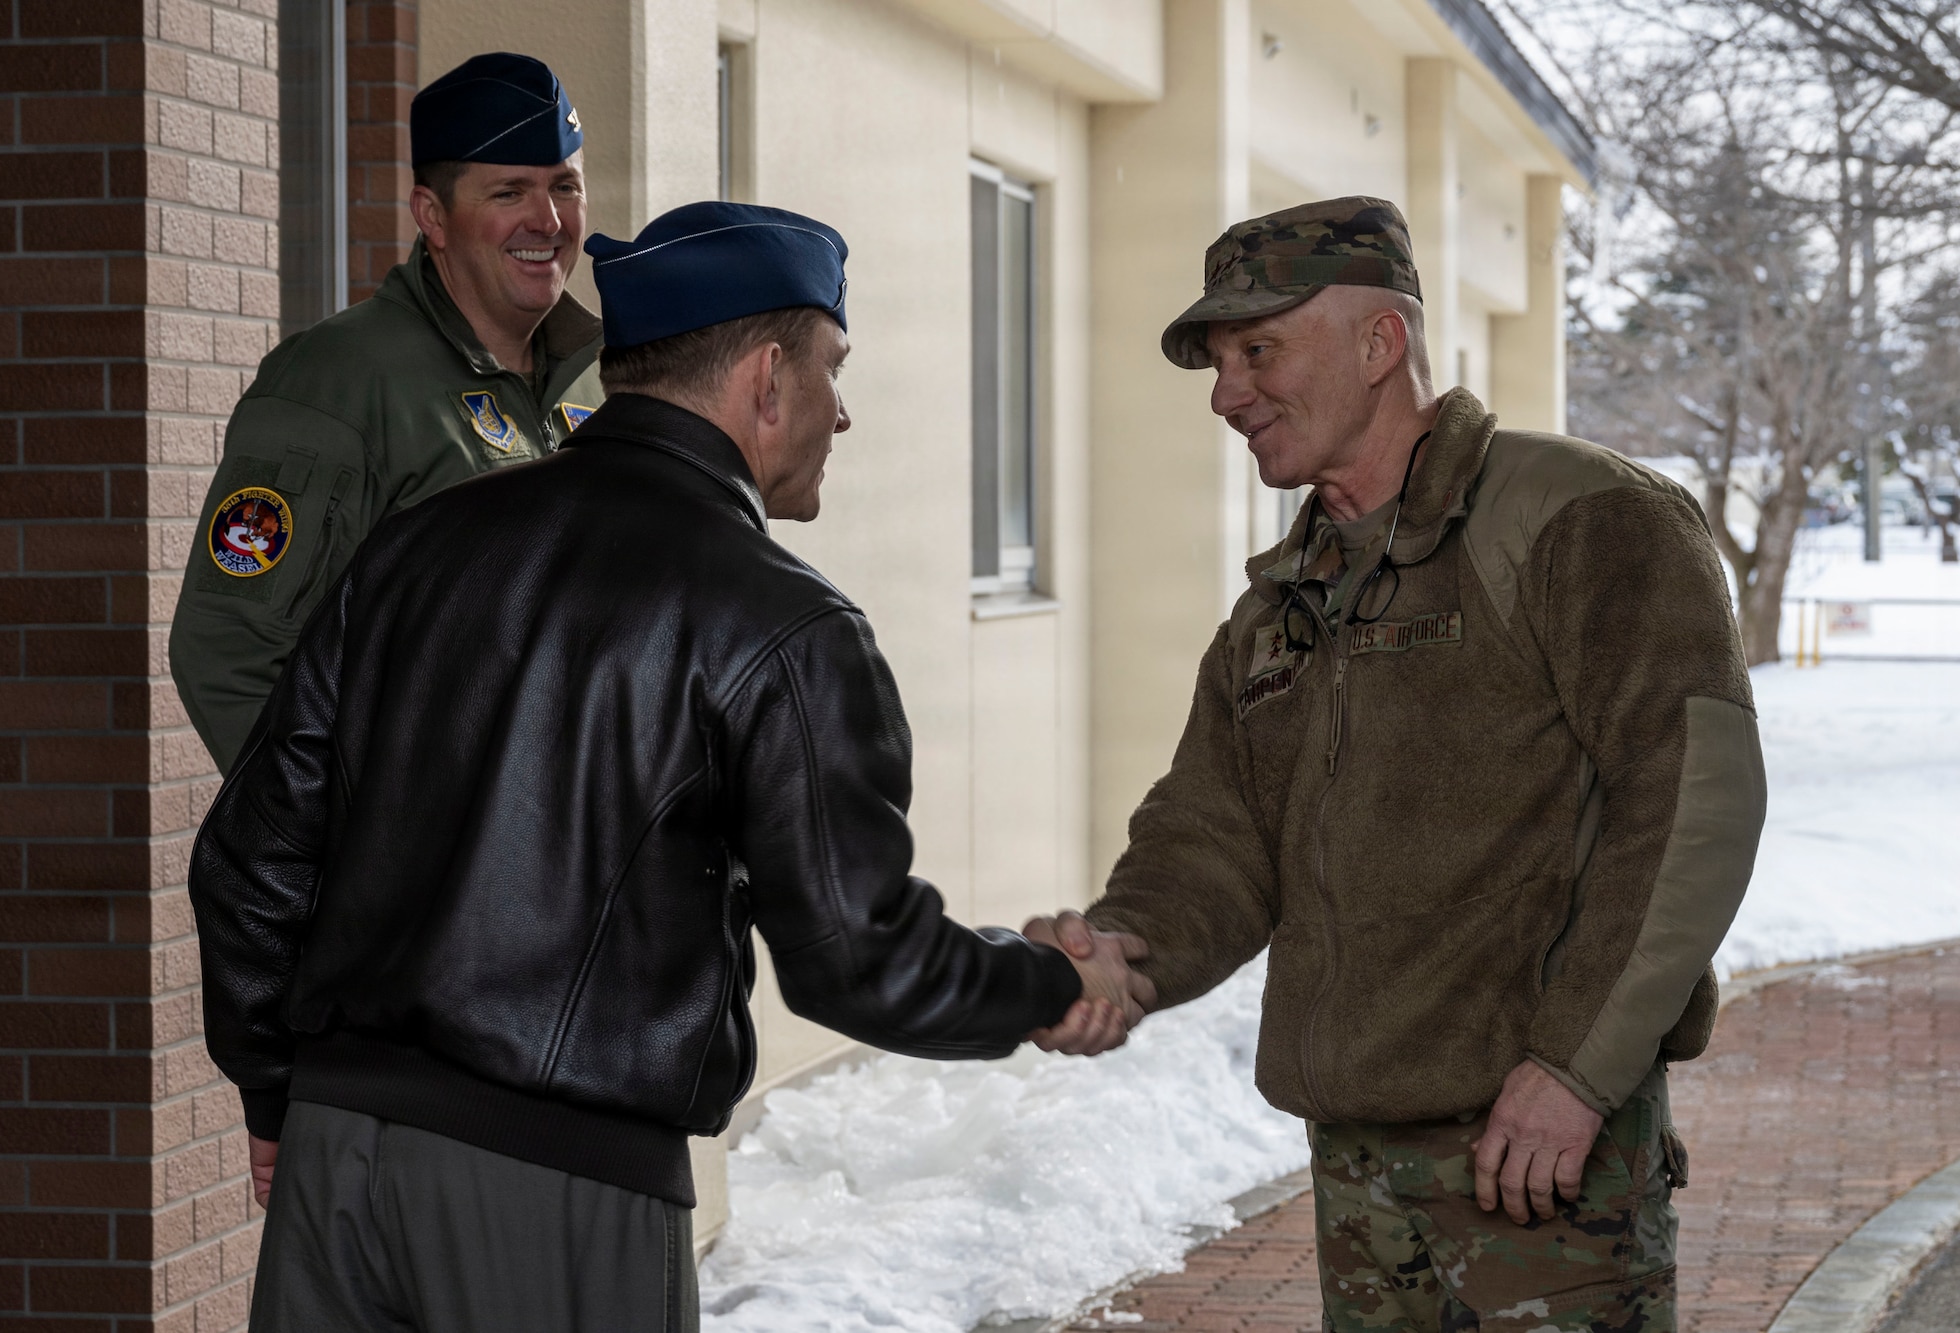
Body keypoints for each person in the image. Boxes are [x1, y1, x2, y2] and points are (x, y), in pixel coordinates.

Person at [189, 200, 1153, 1333]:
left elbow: (251, 863)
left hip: (335, 1164)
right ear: (763, 379)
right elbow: (855, 956)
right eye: (832, 367)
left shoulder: (412, 549)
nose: (842, 413)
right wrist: (1049, 984)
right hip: (556, 1184)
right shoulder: (786, 624)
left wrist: (276, 1089)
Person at [1030, 196, 1768, 1332]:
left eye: (1257, 351)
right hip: (1358, 1170)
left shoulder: (1582, 518)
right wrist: (1123, 953)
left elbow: (1689, 806)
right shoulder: (1277, 607)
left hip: (1537, 1164)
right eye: (1218, 364)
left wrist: (1573, 1069)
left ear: (1379, 345)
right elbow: (1212, 837)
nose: (1227, 394)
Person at [171, 52, 608, 772]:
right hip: (430, 869)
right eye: (510, 192)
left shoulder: (597, 378)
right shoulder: (339, 379)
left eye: (566, 186)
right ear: (432, 215)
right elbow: (227, 648)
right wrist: (349, 847)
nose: (550, 220)